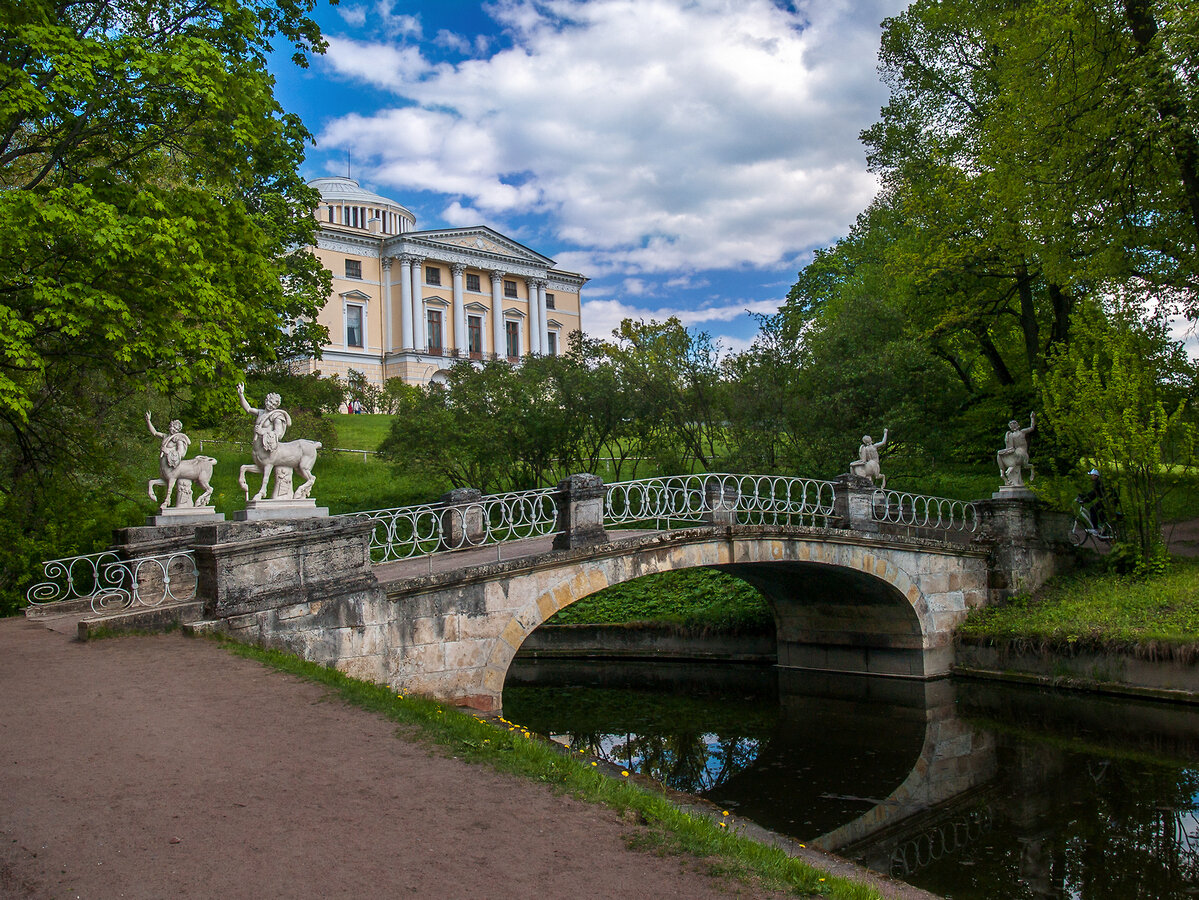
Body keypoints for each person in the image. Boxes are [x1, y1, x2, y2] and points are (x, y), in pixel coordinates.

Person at [997, 413, 1036, 487]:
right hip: (1021, 451)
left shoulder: (1015, 434)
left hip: (1018, 450)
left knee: (1017, 463)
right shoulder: (1020, 432)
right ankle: (1012, 475)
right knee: (1025, 464)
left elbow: (1032, 428)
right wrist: (1032, 418)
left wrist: (1032, 418)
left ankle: (1005, 474)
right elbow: (1032, 427)